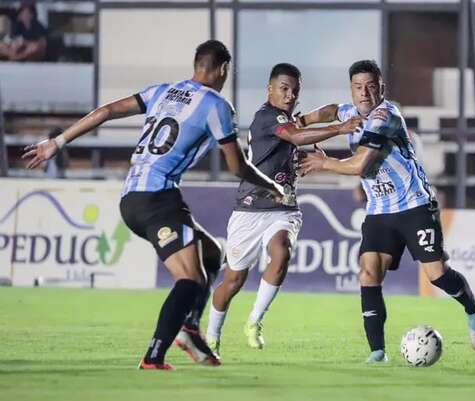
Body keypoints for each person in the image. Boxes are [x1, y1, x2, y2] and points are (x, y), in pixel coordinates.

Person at [22, 40, 287, 370]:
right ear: (222, 70)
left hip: (132, 196)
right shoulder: (216, 105)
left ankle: (189, 329)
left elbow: (105, 112)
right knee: (189, 280)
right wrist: (271, 185)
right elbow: (236, 166)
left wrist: (57, 142)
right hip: (157, 200)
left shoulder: (162, 91)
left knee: (210, 253)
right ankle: (154, 355)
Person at [298, 60, 475, 363]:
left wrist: (323, 163)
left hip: (414, 204)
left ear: (381, 88)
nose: (364, 93)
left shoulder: (385, 116)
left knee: (437, 275)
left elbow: (361, 164)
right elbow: (332, 110)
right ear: (352, 90)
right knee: (368, 272)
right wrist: (303, 119)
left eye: (371, 86)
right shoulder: (350, 111)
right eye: (358, 87)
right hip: (379, 211)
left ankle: (473, 308)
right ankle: (377, 353)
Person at [205, 63, 362, 354]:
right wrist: (340, 128)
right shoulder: (267, 116)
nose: (289, 95)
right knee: (233, 280)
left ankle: (254, 321)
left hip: (284, 208)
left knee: (281, 252)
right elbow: (296, 136)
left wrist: (300, 159)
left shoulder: (288, 119)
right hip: (250, 207)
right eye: (284, 89)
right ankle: (212, 334)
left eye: (294, 90)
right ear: (270, 89)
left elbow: (306, 126)